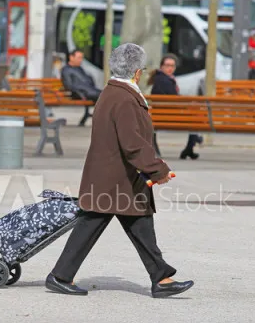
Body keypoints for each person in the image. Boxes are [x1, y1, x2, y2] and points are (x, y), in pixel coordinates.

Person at [45, 43, 194, 299]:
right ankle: (60, 276)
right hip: (116, 178)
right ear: (137, 72)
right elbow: (133, 143)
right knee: (101, 224)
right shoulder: (124, 98)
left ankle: (161, 277)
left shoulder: (113, 92)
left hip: (114, 177)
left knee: (137, 223)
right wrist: (158, 170)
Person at [147, 54, 203, 160]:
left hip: (161, 116)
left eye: (172, 66)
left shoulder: (160, 78)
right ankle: (193, 143)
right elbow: (175, 101)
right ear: (161, 66)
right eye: (167, 65)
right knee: (196, 117)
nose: (170, 68)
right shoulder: (164, 81)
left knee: (194, 116)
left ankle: (191, 145)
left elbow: (174, 99)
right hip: (168, 117)